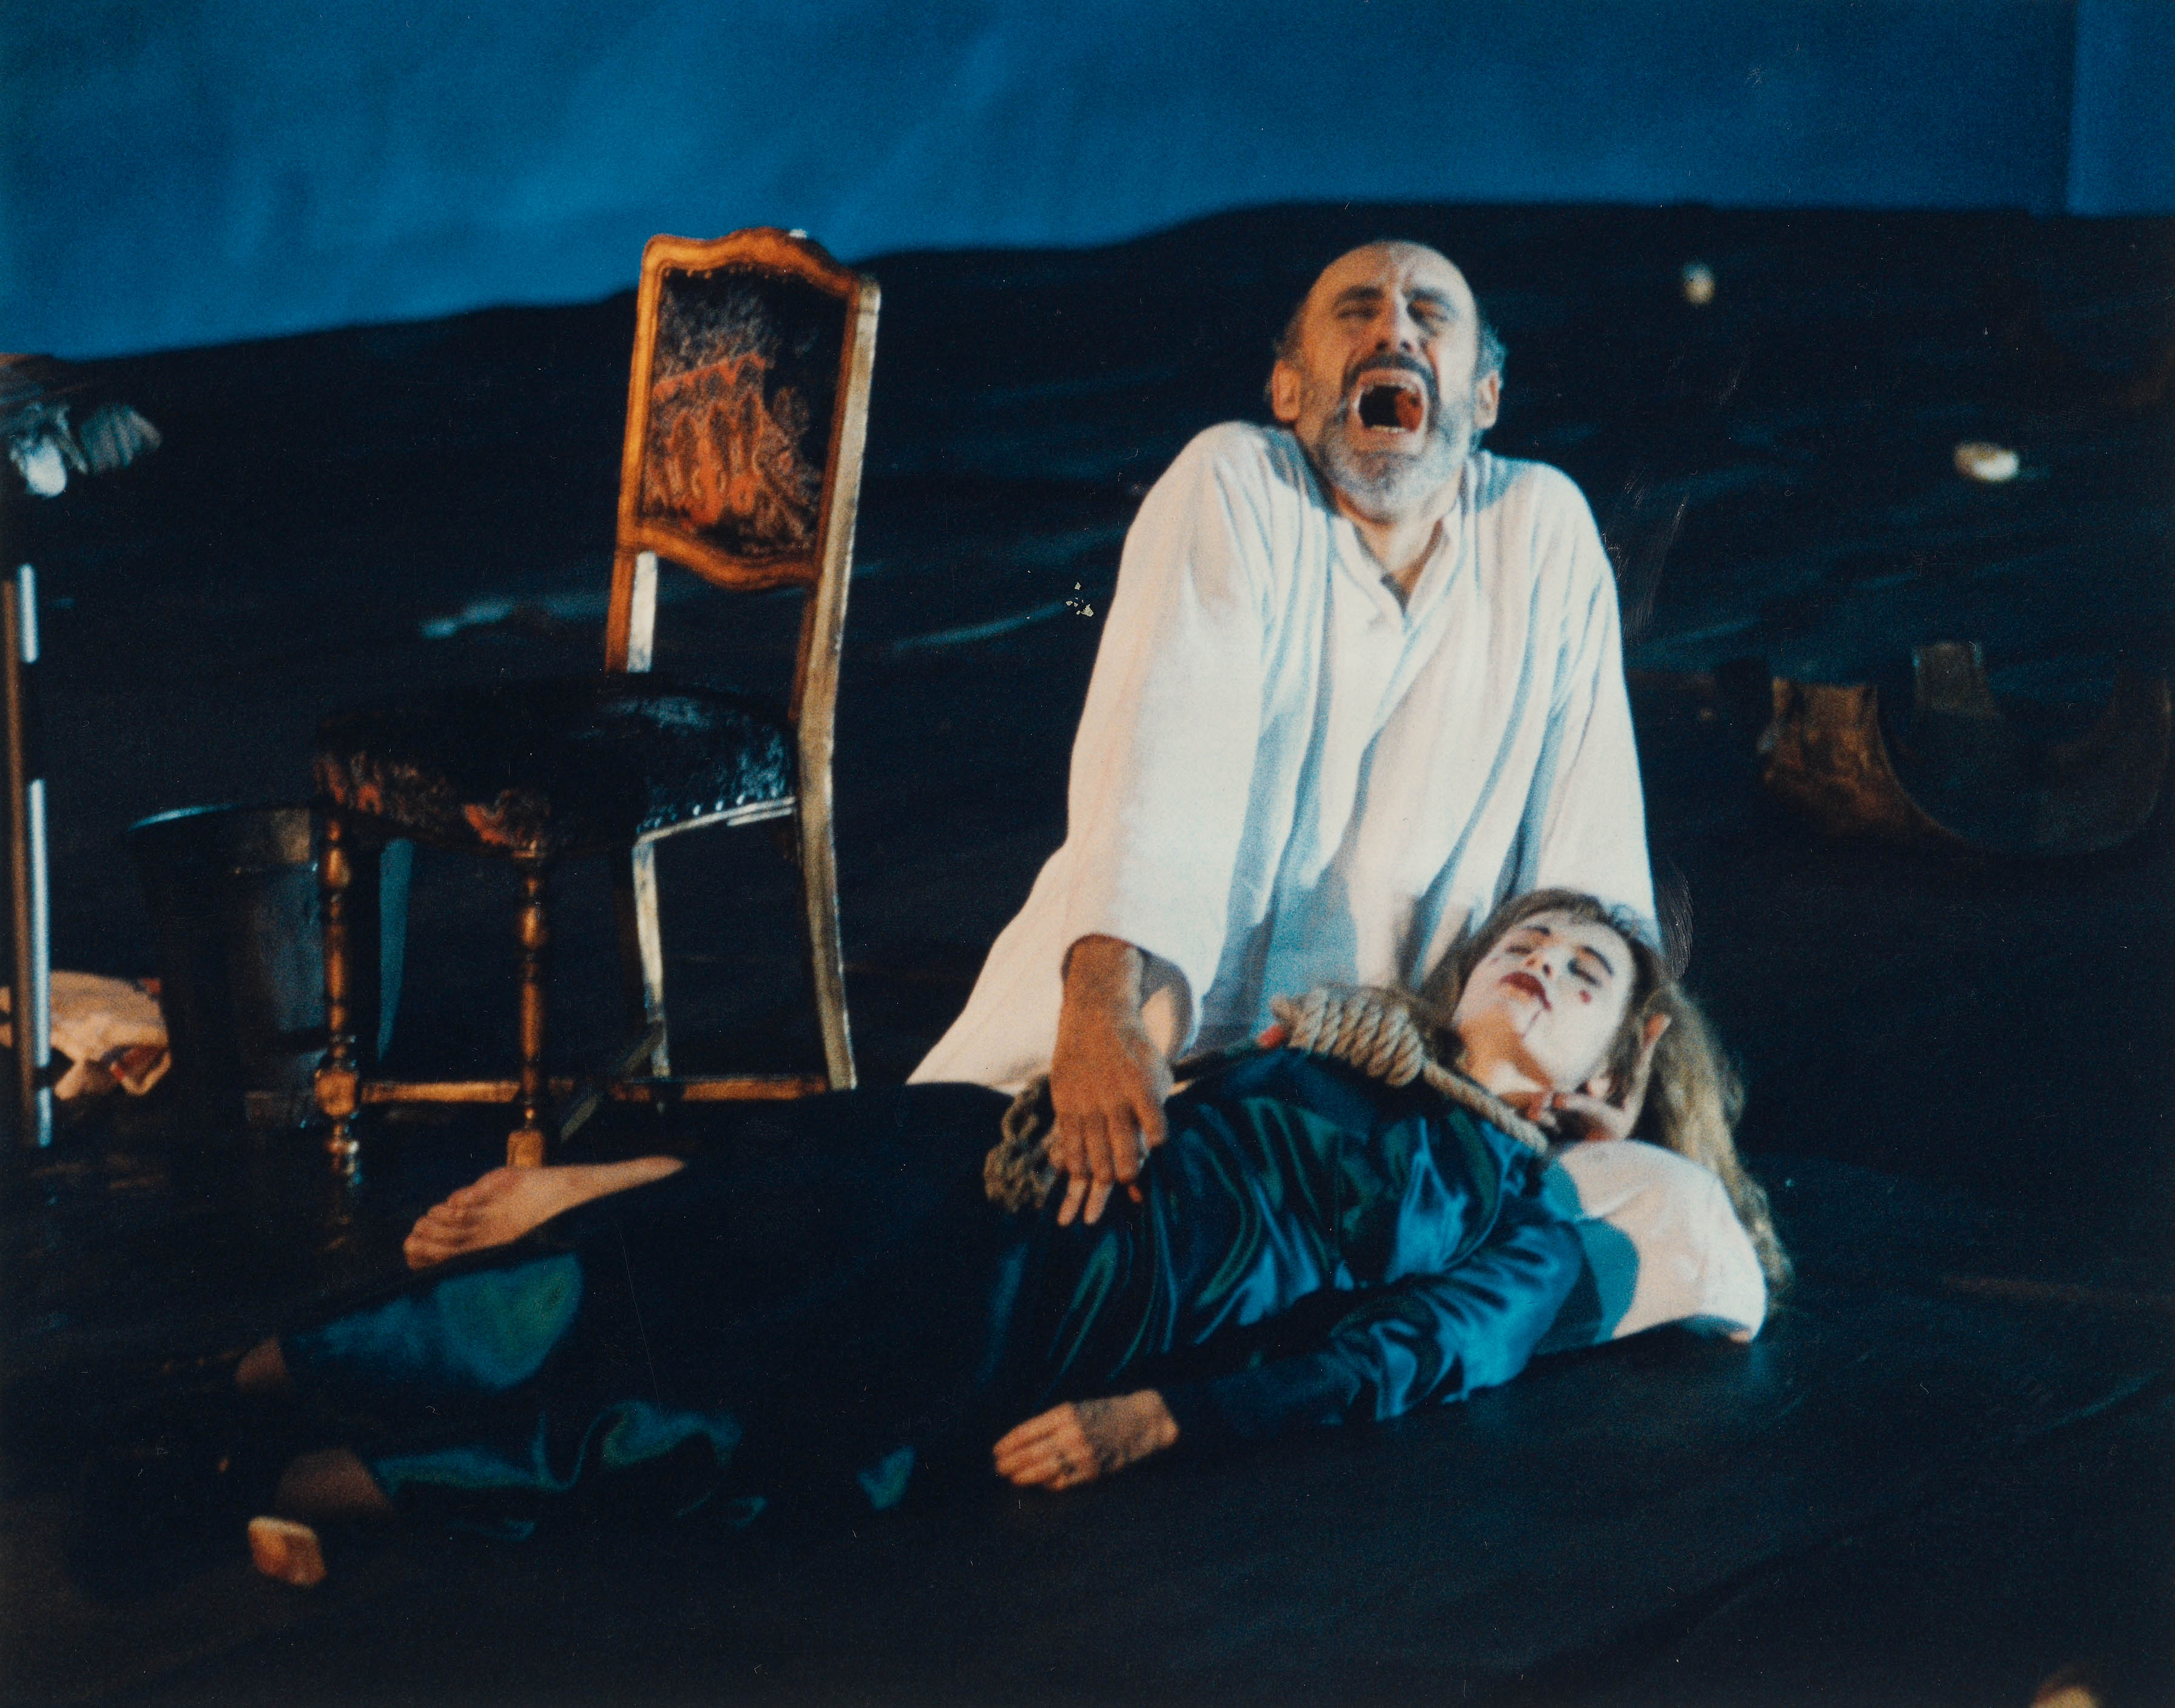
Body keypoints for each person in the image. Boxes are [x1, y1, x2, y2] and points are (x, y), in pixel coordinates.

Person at [91, 891, 1780, 1590]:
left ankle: (273, 1496)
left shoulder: (1513, 1208)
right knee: (632, 1267)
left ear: (1602, 1081)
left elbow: (1402, 1356)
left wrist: (1160, 1417)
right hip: (978, 1160)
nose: (1545, 959)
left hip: (1056, 1303)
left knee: (700, 1422)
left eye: (1585, 974)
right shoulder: (1333, 1043)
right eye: (1529, 936)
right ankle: (211, 1396)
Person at [908, 241, 1656, 1226]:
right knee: (934, 1207)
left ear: (1483, 397)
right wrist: (1098, 1014)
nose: (1393, 330)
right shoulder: (1232, 479)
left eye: (1430, 315)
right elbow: (1155, 761)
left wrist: (1614, 1062)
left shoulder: (1540, 527)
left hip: (1384, 1086)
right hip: (1145, 1044)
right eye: (1357, 310)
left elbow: (1590, 833)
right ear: (1289, 390)